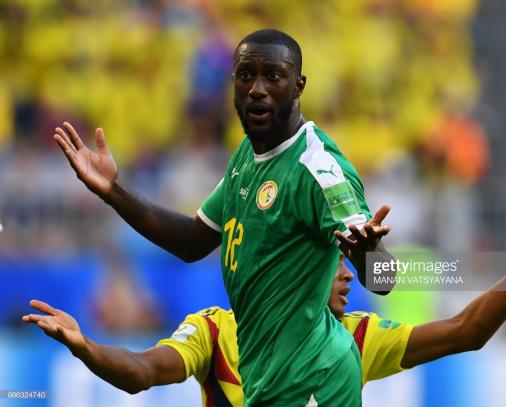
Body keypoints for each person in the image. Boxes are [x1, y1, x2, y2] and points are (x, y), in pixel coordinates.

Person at [52, 28, 391, 406]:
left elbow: (386, 279)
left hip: (316, 382)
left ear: (299, 86)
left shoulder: (319, 169)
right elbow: (194, 240)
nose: (257, 89)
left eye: (273, 76)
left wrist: (368, 251)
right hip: (270, 382)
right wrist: (113, 192)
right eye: (246, 76)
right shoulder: (247, 157)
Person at [24, 192, 506, 406]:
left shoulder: (358, 337)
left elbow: (469, 330)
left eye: (350, 267)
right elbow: (144, 372)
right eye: (333, 268)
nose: (349, 278)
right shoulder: (215, 331)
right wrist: (85, 347)